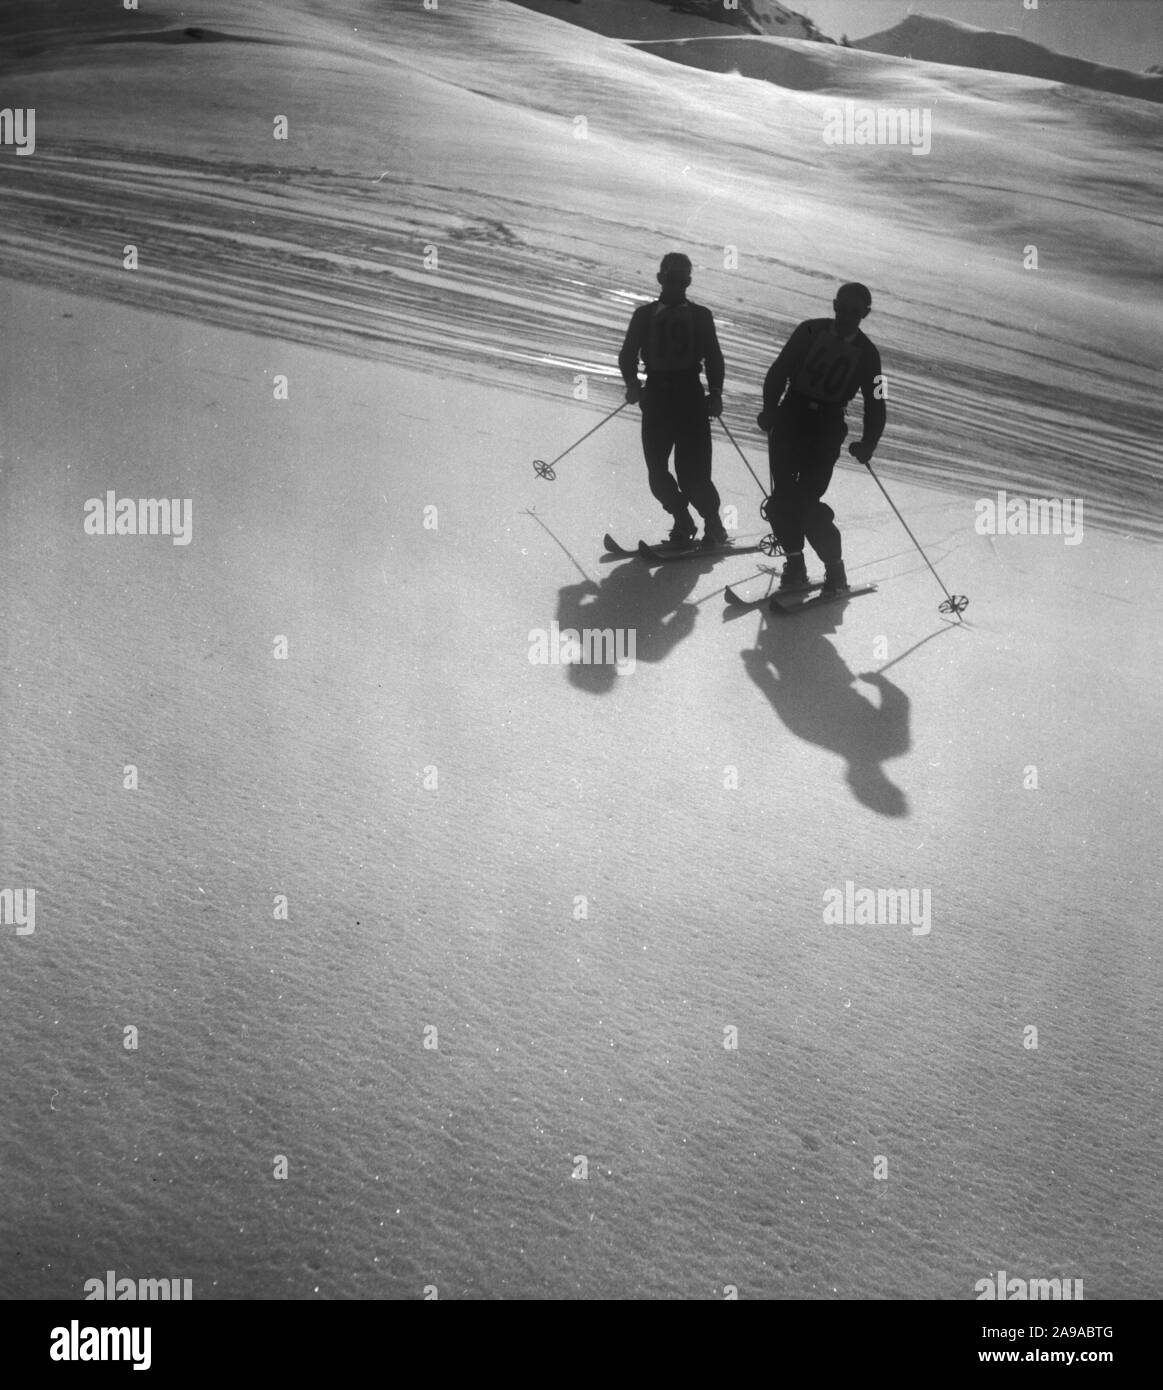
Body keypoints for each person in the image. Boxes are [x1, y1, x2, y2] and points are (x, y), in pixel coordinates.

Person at [758, 283, 886, 594]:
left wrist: (869, 442)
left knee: (805, 503)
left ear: (865, 314)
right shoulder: (809, 330)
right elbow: (779, 371)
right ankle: (795, 564)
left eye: (854, 311)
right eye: (842, 308)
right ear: (834, 305)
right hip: (791, 419)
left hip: (826, 429)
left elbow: (877, 401)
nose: (846, 316)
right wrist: (770, 408)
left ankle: (835, 570)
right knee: (781, 500)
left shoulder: (869, 354)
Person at [618, 252, 729, 548]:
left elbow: (714, 357)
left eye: (681, 280)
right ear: (660, 279)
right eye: (670, 278)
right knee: (657, 472)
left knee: (693, 477)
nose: (675, 284)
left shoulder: (701, 316)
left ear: (688, 282)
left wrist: (716, 393)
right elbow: (627, 354)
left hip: (690, 398)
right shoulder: (643, 315)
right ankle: (683, 521)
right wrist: (632, 383)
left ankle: (714, 525)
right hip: (655, 397)